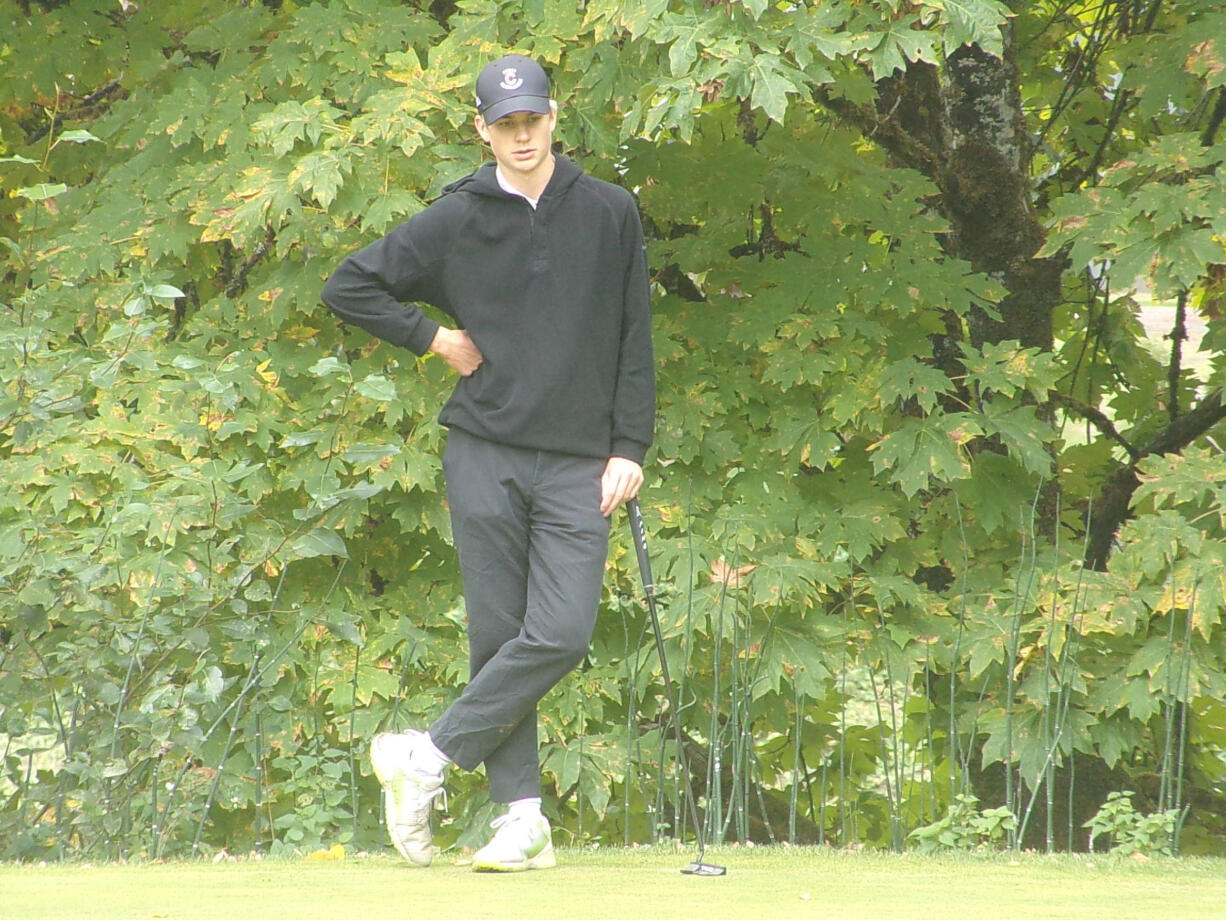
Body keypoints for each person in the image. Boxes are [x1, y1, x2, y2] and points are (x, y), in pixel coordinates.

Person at [320, 52, 655, 872]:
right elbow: (349, 285)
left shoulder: (610, 211)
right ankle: (521, 819)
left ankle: (424, 759)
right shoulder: (458, 215)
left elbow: (633, 339)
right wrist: (432, 338)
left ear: (553, 117)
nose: (521, 135)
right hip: (484, 451)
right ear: (482, 129)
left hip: (581, 461)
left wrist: (629, 447)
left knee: (563, 633)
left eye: (532, 120)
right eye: (504, 124)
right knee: (499, 634)